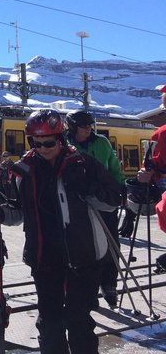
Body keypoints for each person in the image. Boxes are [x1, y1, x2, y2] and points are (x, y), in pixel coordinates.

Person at [0, 109, 120, 354]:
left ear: (60, 139)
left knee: (78, 320)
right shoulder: (23, 169)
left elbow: (113, 199)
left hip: (83, 256)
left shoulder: (82, 163)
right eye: (36, 143)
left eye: (49, 142)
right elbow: (17, 213)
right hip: (43, 255)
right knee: (49, 321)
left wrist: (87, 188)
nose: (43, 149)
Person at [66, 109, 125, 308]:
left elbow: (114, 166)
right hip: (78, 202)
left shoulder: (101, 142)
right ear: (73, 127)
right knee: (87, 246)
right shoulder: (65, 146)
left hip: (103, 197)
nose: (88, 130)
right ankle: (89, 289)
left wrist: (120, 187)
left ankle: (109, 284)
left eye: (90, 126)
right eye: (84, 127)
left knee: (110, 241)